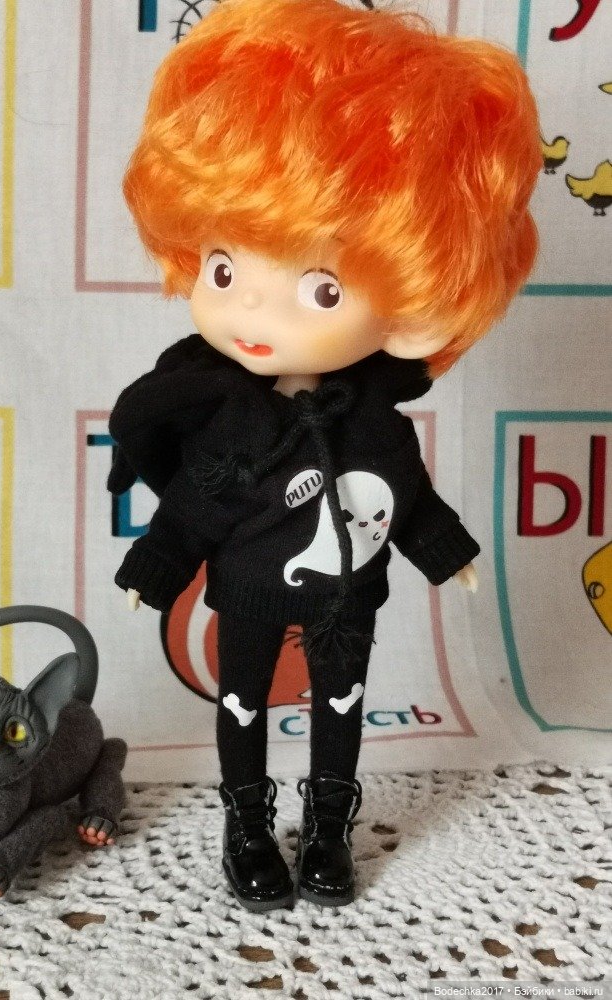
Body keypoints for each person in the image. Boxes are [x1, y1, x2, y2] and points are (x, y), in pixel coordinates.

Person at [109, 0, 541, 911]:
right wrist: (159, 562)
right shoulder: (226, 413)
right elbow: (197, 503)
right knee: (242, 700)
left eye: (320, 287)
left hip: (347, 594)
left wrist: (446, 552)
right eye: (224, 268)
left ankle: (330, 826)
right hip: (247, 588)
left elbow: (403, 496)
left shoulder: (372, 420)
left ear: (418, 300)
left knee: (341, 703)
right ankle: (246, 823)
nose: (251, 312)